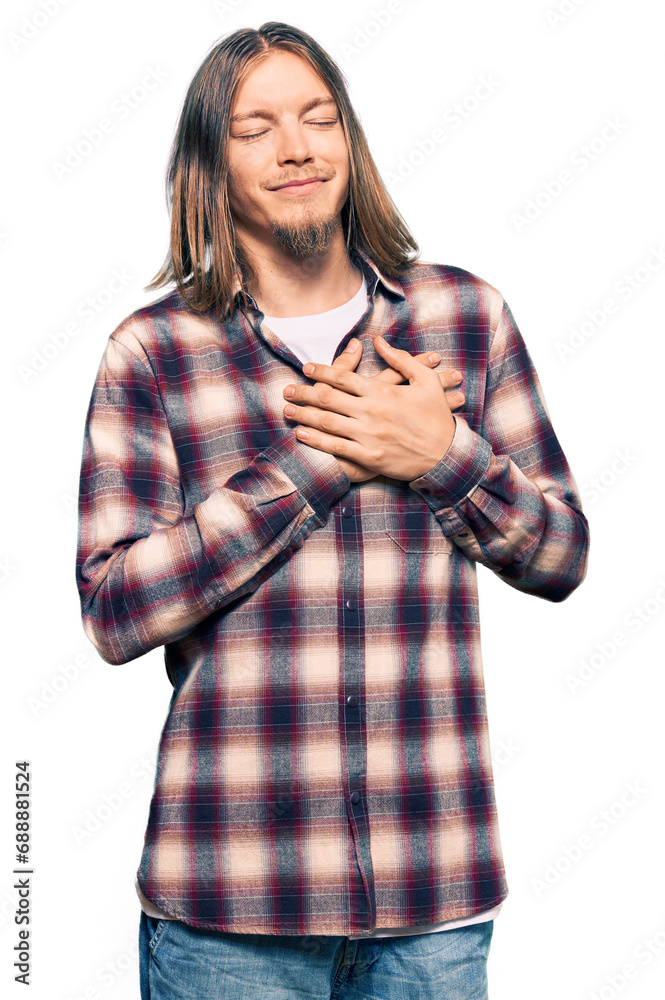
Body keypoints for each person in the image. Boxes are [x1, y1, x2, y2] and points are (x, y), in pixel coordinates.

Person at [75, 21, 589, 1000]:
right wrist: (315, 462)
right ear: (207, 166)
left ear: (347, 138)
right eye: (255, 126)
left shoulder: (463, 320)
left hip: (432, 908)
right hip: (227, 912)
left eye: (318, 117)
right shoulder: (151, 352)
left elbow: (557, 551)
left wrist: (440, 454)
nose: (297, 146)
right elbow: (115, 610)